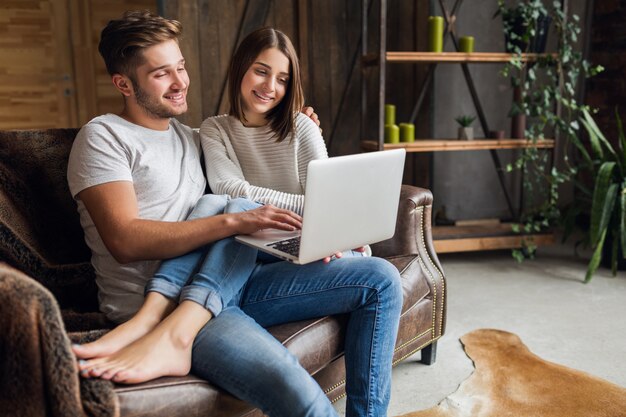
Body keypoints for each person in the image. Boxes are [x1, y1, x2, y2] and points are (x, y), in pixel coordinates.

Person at [68, 10, 402, 417]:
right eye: (161, 74)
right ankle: (159, 329)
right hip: (162, 299)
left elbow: (248, 143)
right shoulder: (103, 137)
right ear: (123, 83)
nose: (180, 83)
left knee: (382, 278)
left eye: (182, 67)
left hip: (228, 282)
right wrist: (236, 220)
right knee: (301, 396)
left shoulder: (190, 137)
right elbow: (125, 241)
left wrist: (302, 126)